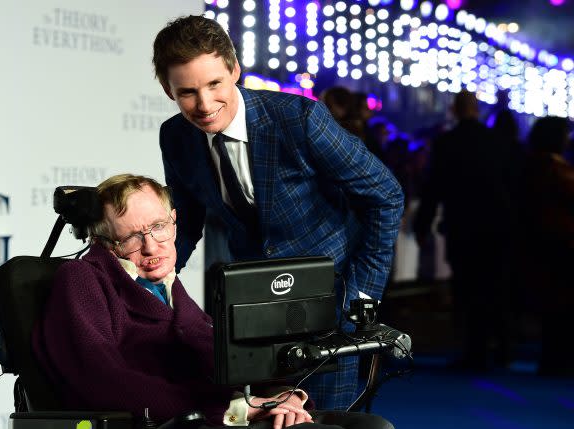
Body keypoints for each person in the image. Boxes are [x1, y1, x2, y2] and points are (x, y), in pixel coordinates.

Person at [153, 15, 404, 410]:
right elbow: (185, 219)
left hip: (331, 304)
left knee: (326, 420)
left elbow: (385, 194)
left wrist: (361, 294)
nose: (204, 104)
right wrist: (154, 280)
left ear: (234, 70)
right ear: (168, 90)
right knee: (259, 417)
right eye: (187, 92)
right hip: (252, 311)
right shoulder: (175, 136)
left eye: (215, 84)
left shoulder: (298, 119)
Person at [32, 174, 394, 429]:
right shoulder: (82, 279)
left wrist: (283, 394)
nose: (152, 246)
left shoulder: (166, 285)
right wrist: (233, 410)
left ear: (174, 222)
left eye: (159, 226)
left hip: (225, 411)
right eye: (131, 237)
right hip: (176, 420)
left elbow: (224, 357)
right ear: (106, 242)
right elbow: (102, 380)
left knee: (373, 424)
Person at [413, 90, 513, 370]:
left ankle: (475, 350)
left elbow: (434, 187)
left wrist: (423, 224)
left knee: (468, 289)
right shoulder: (497, 141)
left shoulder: (447, 143)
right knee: (496, 286)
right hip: (497, 225)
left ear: (455, 109)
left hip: (463, 225)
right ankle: (503, 348)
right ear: (477, 108)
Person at [521, 117, 574, 376]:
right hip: (560, 243)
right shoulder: (554, 168)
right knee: (561, 304)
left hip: (544, 241)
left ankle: (553, 356)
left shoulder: (531, 165)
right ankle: (557, 358)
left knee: (553, 305)